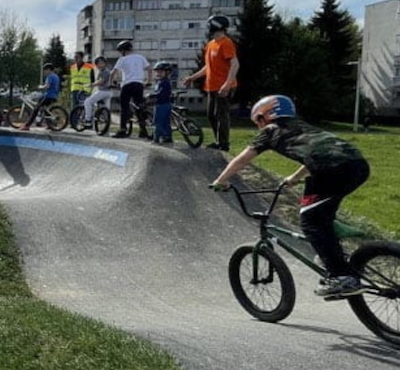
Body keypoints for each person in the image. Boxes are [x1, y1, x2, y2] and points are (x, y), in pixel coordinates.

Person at [210, 95, 371, 299]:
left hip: (330, 171)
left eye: (257, 121)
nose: (258, 126)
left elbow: (242, 159)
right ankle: (336, 252)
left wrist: (221, 180)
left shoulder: (270, 130)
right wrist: (294, 178)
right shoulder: (303, 126)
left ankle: (342, 277)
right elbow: (316, 152)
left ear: (264, 116)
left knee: (309, 221)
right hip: (358, 165)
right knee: (319, 213)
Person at [182, 15, 239, 151]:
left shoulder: (226, 43)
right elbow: (208, 67)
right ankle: (218, 141)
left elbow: (235, 64)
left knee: (221, 115)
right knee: (211, 115)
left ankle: (223, 144)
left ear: (215, 26)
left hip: (223, 86)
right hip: (212, 87)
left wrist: (227, 84)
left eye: (209, 25)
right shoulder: (211, 44)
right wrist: (192, 78)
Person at [111, 41, 150, 139]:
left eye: (120, 51)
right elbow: (150, 69)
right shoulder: (140, 57)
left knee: (124, 107)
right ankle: (143, 130)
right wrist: (148, 81)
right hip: (139, 84)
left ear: (123, 51)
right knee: (139, 107)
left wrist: (112, 82)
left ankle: (123, 129)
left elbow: (113, 73)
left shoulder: (122, 59)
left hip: (127, 85)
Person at [21, 63, 61, 131]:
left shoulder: (50, 76)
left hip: (48, 96)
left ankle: (27, 125)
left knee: (36, 109)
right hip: (54, 96)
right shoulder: (56, 76)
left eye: (45, 70)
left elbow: (47, 86)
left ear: (48, 70)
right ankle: (50, 125)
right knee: (45, 109)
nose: (44, 72)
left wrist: (40, 87)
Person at [81, 56, 114, 133]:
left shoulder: (105, 72)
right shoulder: (103, 71)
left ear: (105, 63)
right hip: (108, 92)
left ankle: (88, 120)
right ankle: (106, 128)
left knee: (87, 102)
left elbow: (100, 82)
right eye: (98, 64)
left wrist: (90, 85)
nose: (100, 65)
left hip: (103, 91)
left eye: (102, 63)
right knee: (106, 110)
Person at [151, 62, 174, 144]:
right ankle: (168, 137)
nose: (158, 74)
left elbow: (162, 93)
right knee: (166, 122)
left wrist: (153, 95)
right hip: (162, 103)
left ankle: (157, 137)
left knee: (158, 121)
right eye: (157, 72)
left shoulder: (164, 82)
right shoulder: (160, 82)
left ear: (167, 72)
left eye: (160, 72)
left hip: (162, 104)